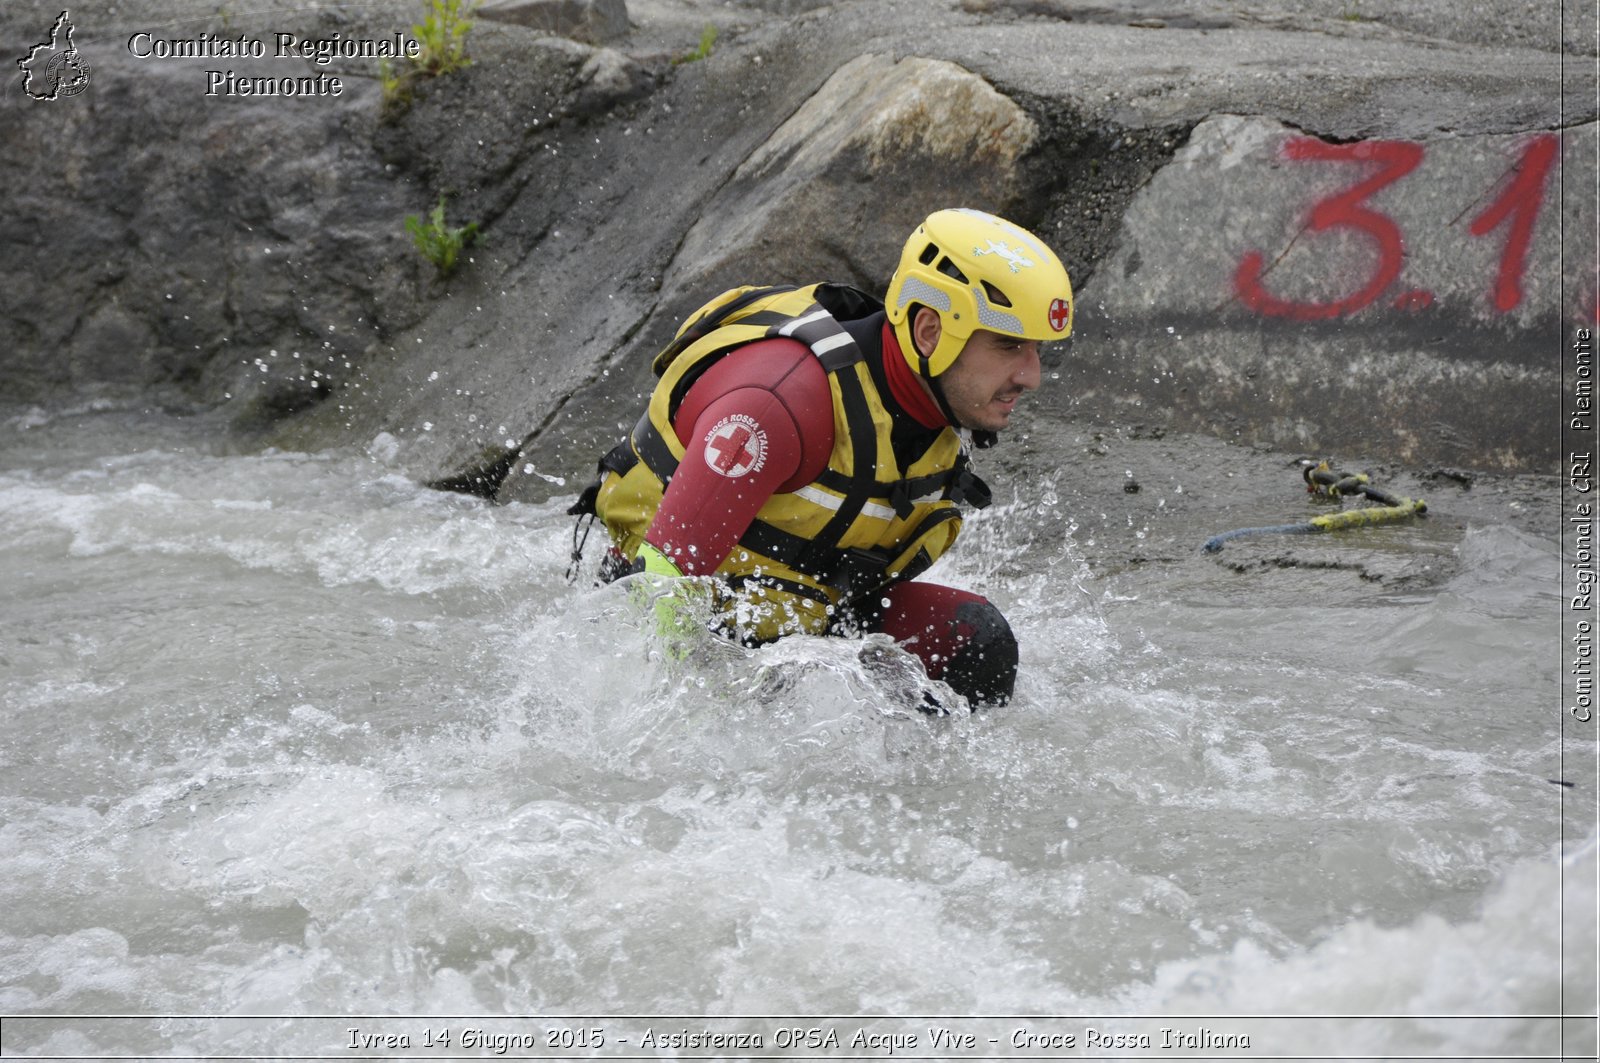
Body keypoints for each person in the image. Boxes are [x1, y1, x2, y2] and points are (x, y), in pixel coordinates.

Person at [571, 207, 1074, 707]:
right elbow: (659, 594)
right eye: (1009, 346)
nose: (1031, 376)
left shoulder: (933, 405)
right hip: (670, 614)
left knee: (978, 643)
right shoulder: (779, 405)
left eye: (1035, 351)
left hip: (796, 625)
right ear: (930, 332)